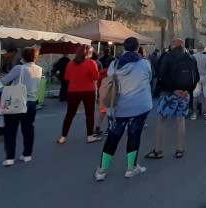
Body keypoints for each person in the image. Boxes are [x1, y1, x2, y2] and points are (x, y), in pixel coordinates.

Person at [96, 37, 153, 180]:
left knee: (113, 137)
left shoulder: (114, 64)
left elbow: (110, 79)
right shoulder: (144, 64)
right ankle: (131, 167)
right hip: (138, 106)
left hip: (119, 107)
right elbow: (149, 78)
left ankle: (102, 170)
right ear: (137, 47)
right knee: (134, 135)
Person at [145, 39, 197, 159]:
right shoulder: (190, 58)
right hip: (184, 94)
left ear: (172, 46)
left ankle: (158, 150)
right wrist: (187, 91)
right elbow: (195, 76)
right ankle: (180, 149)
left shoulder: (167, 57)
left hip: (169, 93)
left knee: (162, 120)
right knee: (181, 120)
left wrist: (173, 90)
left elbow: (161, 74)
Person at [0, 47, 43, 165]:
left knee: (10, 130)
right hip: (31, 100)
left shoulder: (19, 68)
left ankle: (10, 157)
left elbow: (4, 81)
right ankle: (27, 154)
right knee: (28, 129)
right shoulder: (39, 69)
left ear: (22, 56)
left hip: (17, 100)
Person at [58, 44, 101, 144]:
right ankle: (90, 136)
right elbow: (95, 77)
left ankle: (63, 136)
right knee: (89, 114)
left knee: (70, 114)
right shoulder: (91, 63)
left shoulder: (71, 63)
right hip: (88, 90)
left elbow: (67, 77)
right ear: (89, 52)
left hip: (73, 90)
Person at [191, 42, 206, 121]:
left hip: (197, 77)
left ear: (196, 48)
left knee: (195, 95)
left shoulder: (193, 56)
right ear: (204, 48)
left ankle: (194, 113)